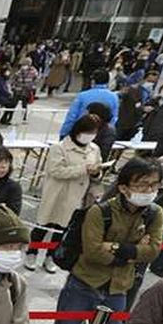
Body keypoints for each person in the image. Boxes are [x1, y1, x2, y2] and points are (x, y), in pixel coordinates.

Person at [45, 158, 163, 324]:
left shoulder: (155, 213)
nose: (149, 191)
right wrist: (133, 251)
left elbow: (153, 251)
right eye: (142, 185)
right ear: (123, 187)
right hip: (84, 281)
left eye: (154, 185)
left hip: (118, 287)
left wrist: (116, 248)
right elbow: (93, 251)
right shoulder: (101, 211)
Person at [28, 114, 104, 273]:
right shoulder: (59, 148)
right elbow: (56, 171)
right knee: (44, 225)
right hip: (57, 193)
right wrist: (84, 169)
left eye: (94, 132)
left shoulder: (94, 149)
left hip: (77, 195)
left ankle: (51, 257)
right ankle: (32, 253)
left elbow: (97, 169)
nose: (90, 135)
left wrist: (96, 173)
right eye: (88, 131)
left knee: (63, 229)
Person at [59, 68, 119, 137]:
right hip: (101, 133)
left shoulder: (82, 95)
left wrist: (64, 133)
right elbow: (114, 117)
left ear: (93, 81)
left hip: (81, 132)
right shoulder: (114, 97)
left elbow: (72, 116)